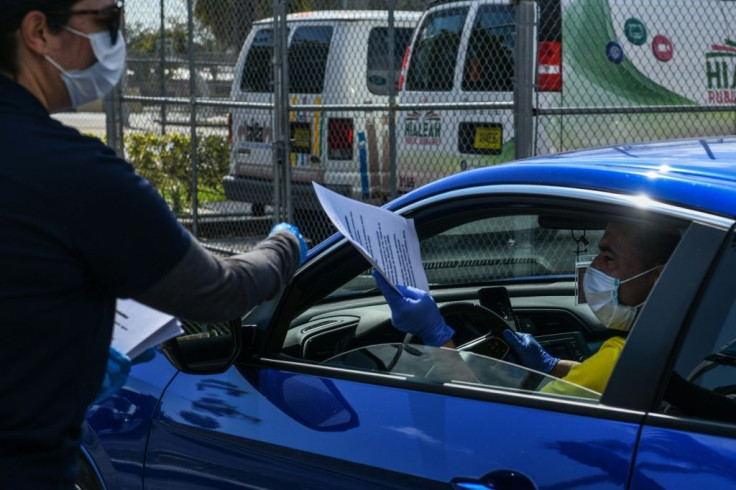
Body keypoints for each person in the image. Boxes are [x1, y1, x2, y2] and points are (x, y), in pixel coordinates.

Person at [0, 1, 307, 487]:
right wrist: (283, 246)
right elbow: (217, 291)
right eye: (106, 20)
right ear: (39, 31)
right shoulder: (75, 175)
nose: (116, 39)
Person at [373, 220, 680, 394]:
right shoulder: (664, 344)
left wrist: (437, 336)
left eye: (608, 258)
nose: (594, 266)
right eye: (597, 254)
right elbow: (591, 383)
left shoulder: (619, 363)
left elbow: (492, 427)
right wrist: (550, 365)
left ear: (657, 279)